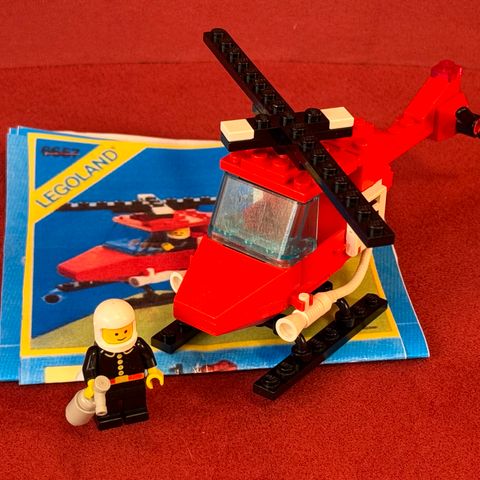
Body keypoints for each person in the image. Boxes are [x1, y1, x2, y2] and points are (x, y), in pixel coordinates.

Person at [82, 298, 164, 430]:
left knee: (136, 400)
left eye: (125, 331)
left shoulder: (138, 344)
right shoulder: (95, 352)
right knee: (109, 403)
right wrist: (92, 384)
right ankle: (109, 417)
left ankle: (136, 412)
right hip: (108, 386)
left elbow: (147, 356)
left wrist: (153, 371)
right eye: (115, 333)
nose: (121, 336)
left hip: (135, 381)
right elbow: (89, 369)